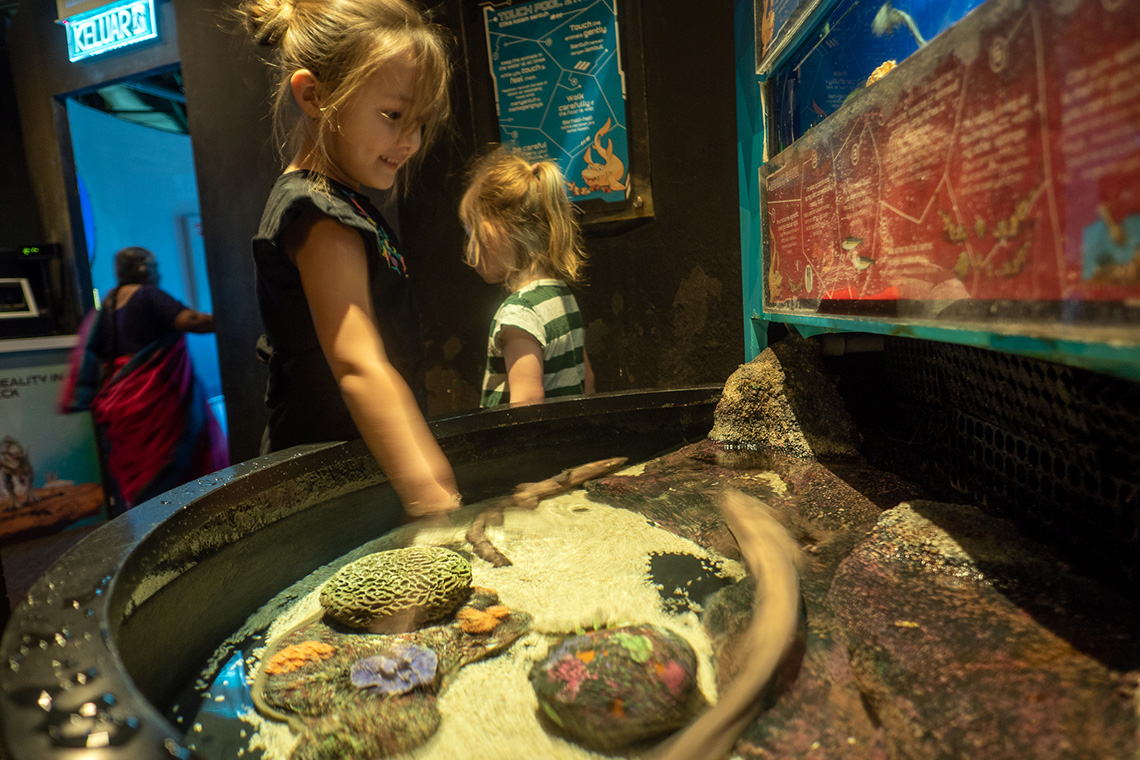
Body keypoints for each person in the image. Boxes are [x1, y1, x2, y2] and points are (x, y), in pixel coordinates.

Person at [240, 0, 460, 518]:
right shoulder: (320, 218)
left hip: (357, 471)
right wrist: (436, 497)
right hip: (326, 487)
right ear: (315, 95)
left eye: (420, 122)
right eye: (393, 115)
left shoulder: (346, 205)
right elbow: (359, 365)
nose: (410, 141)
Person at [60, 246, 229, 513]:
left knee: (145, 476)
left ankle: (151, 526)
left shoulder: (108, 304)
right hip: (156, 399)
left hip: (122, 401)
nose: (158, 272)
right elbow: (190, 320)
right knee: (172, 464)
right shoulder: (148, 294)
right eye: (154, 266)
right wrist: (231, 319)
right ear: (144, 269)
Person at [460, 146, 595, 408]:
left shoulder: (519, 314)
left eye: (470, 234)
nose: (468, 248)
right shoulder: (561, 296)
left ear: (492, 235)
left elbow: (527, 406)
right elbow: (587, 380)